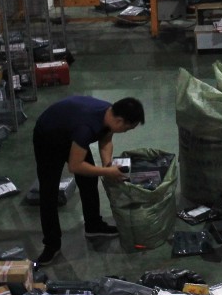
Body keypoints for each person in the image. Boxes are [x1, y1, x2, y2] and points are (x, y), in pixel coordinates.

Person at [32, 95, 145, 266]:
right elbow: (75, 166)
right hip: (49, 138)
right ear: (120, 121)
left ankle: (93, 225)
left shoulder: (110, 113)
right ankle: (51, 244)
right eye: (127, 129)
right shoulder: (86, 128)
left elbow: (106, 140)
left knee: (89, 180)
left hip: (70, 131)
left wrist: (108, 163)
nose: (125, 132)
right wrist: (107, 172)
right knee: (49, 192)